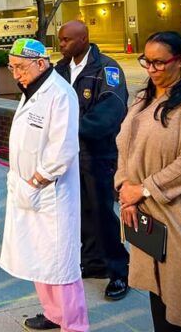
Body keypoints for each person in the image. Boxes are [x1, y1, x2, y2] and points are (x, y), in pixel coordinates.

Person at [116, 32, 181, 332]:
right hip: (147, 218)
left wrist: (143, 189)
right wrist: (126, 189)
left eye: (159, 63)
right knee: (159, 304)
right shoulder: (142, 99)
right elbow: (124, 146)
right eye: (146, 61)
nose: (150, 70)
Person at [0, 39, 89, 332]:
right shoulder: (32, 90)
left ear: (41, 63)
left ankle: (74, 325)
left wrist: (36, 181)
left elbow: (63, 148)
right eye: (12, 68)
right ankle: (53, 314)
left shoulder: (60, 94)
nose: (15, 75)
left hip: (50, 192)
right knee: (40, 258)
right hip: (29, 190)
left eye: (20, 68)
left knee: (61, 264)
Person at [54, 21, 130, 301]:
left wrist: (68, 130)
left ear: (84, 39)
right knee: (79, 213)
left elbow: (111, 111)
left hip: (96, 154)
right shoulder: (60, 69)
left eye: (66, 40)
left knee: (101, 213)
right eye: (60, 40)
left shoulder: (106, 70)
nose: (61, 45)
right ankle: (94, 262)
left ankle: (119, 270)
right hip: (69, 155)